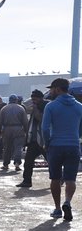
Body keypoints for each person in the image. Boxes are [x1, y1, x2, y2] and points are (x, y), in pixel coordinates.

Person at [42, 78, 82, 220]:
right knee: (71, 179)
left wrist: (47, 142)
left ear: (58, 89)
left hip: (56, 146)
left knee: (55, 178)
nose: (50, 91)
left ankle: (58, 209)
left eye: (51, 89)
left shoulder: (51, 106)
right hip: (73, 146)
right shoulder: (79, 106)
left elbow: (45, 128)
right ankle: (68, 202)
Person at [17, 89, 48, 188]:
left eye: (35, 99)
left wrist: (35, 110)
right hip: (34, 140)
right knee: (28, 161)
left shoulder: (46, 106)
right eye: (33, 99)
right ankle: (27, 181)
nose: (33, 101)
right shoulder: (35, 106)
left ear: (40, 98)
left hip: (44, 140)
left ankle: (59, 178)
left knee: (51, 160)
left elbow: (41, 120)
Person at [0, 94, 28, 172]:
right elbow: (25, 121)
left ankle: (6, 164)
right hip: (18, 128)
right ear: (16, 100)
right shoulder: (21, 108)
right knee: (18, 147)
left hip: (6, 129)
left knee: (7, 147)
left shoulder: (4, 109)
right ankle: (17, 163)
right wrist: (26, 131)